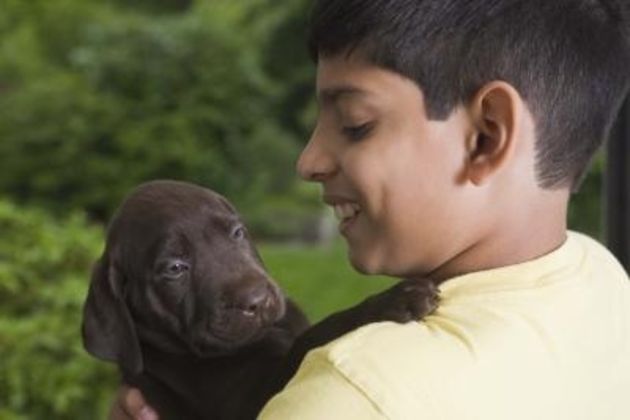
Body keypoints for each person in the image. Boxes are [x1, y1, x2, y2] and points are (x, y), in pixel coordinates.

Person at [112, 0, 630, 418]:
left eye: (356, 124)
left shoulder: (350, 395)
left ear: (487, 135)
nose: (308, 160)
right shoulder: (602, 276)